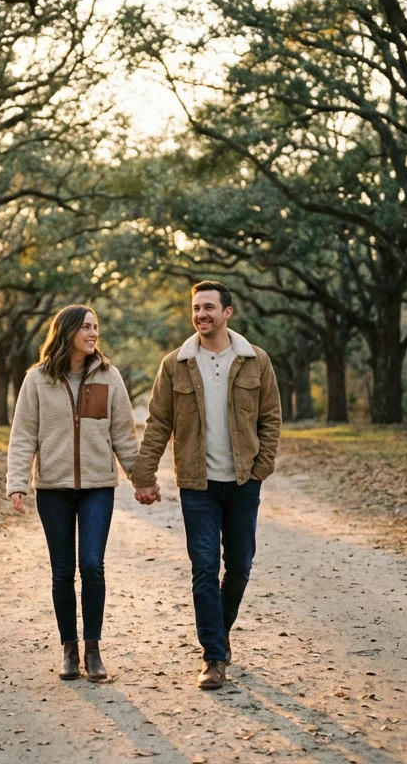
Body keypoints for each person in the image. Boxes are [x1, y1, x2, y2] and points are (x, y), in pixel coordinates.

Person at [131, 280, 281, 690]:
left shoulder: (256, 360)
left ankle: (220, 628)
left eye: (209, 308)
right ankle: (213, 655)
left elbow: (270, 418)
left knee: (241, 566)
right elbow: (158, 422)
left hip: (243, 481)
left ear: (227, 312)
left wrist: (261, 466)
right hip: (198, 484)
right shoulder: (175, 363)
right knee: (204, 568)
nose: (201, 315)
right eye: (196, 308)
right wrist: (143, 475)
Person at [6, 304, 139, 681]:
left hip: (98, 486)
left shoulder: (109, 376)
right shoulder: (37, 380)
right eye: (85, 327)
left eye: (96, 326)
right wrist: (17, 483)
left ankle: (93, 649)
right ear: (66, 332)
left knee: (92, 565)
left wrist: (140, 477)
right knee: (62, 571)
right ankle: (69, 649)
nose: (93, 333)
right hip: (54, 488)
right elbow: (23, 436)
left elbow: (124, 435)